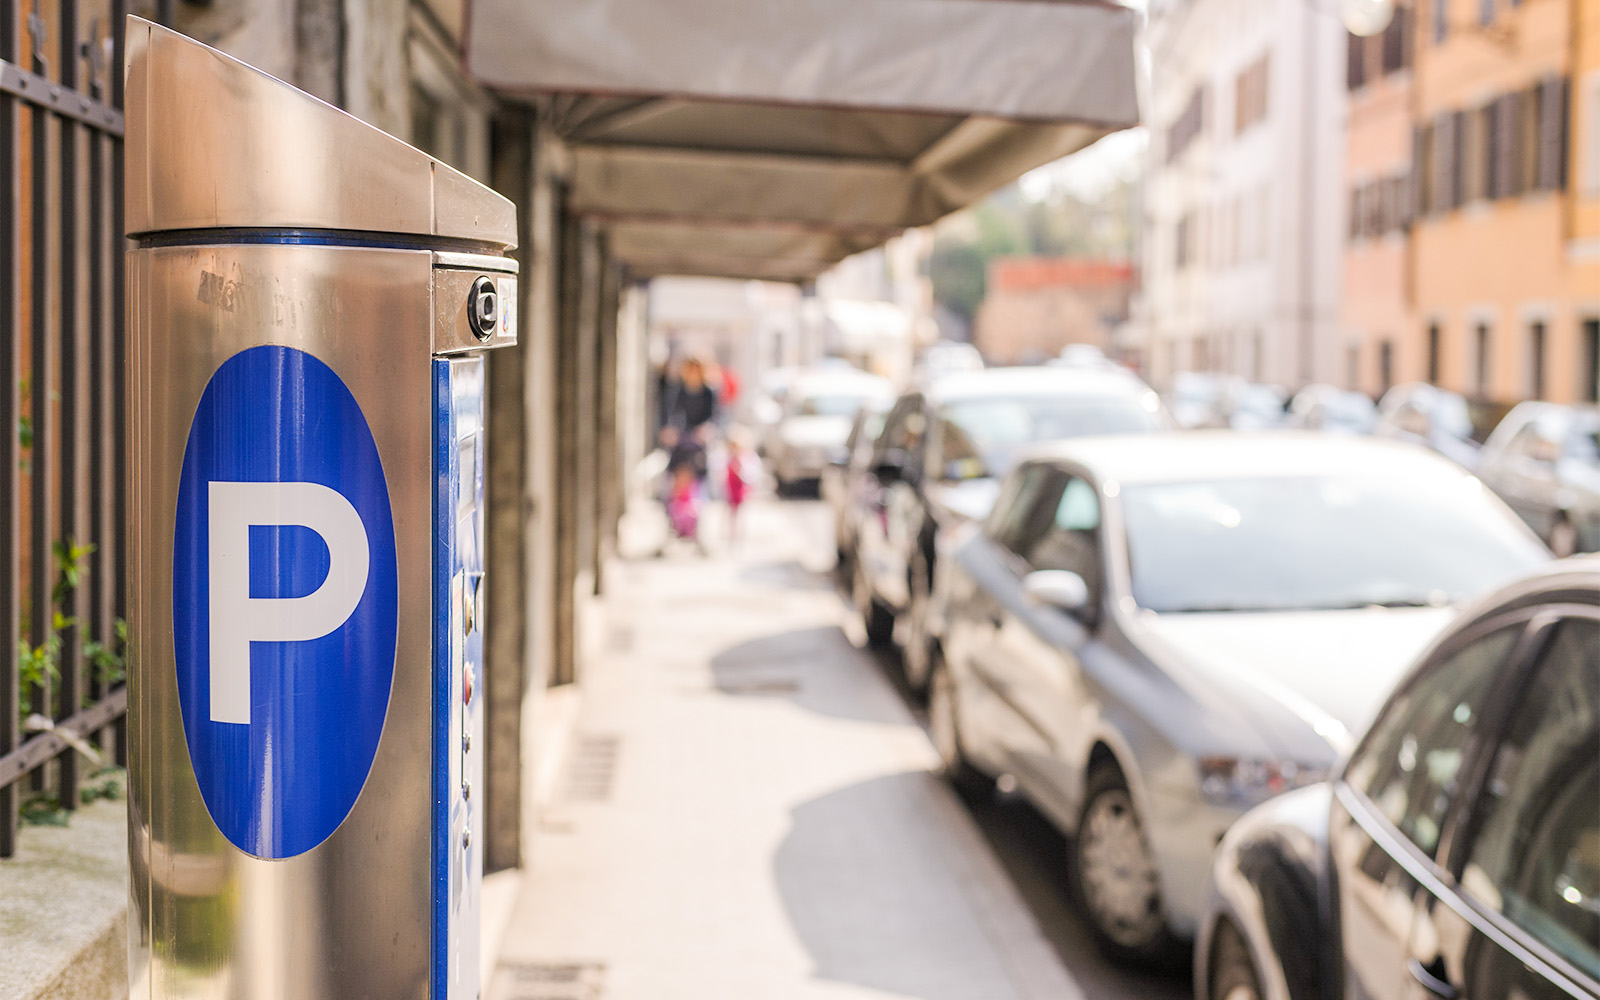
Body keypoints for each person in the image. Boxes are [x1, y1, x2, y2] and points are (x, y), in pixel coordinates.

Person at [723, 425, 759, 543]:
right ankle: (732, 535)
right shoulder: (729, 458)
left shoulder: (744, 459)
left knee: (740, 514)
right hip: (731, 489)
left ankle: (739, 536)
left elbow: (748, 475)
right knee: (731, 514)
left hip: (740, 490)